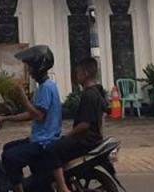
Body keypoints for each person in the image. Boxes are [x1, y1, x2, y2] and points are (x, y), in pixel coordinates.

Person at [0, 45, 62, 192]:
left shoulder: (46, 88)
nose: (29, 71)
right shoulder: (44, 87)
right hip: (39, 138)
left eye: (30, 67)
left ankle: (18, 189)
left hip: (44, 142)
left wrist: (23, 98)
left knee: (9, 157)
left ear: (39, 67)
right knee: (8, 147)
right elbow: (31, 114)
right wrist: (6, 118)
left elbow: (38, 116)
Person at [45, 57, 108, 192]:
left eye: (78, 72)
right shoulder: (98, 91)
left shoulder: (89, 95)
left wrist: (69, 135)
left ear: (85, 73)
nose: (76, 75)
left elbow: (84, 124)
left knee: (51, 149)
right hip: (94, 138)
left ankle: (63, 187)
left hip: (85, 139)